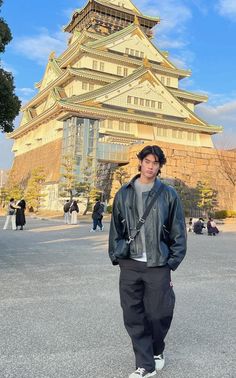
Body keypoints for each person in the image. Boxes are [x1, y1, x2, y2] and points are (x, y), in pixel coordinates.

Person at [108, 145, 187, 378]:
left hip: (158, 263)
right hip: (130, 263)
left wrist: (172, 261)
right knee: (132, 314)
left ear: (160, 166)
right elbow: (116, 228)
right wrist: (116, 255)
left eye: (156, 163)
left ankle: (157, 349)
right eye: (147, 161)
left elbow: (178, 230)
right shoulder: (124, 192)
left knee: (158, 313)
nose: (151, 166)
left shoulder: (168, 194)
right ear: (140, 162)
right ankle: (145, 364)